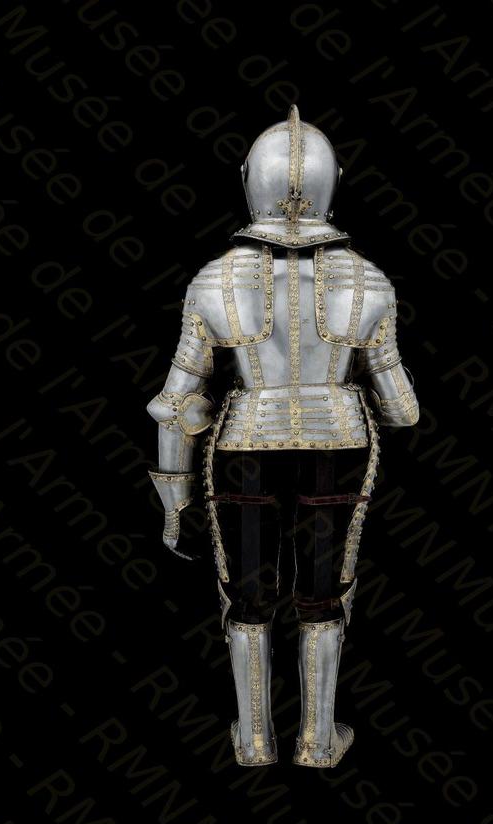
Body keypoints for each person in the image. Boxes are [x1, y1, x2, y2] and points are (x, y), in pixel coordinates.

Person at [147, 105, 419, 768]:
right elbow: (404, 411)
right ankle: (318, 743)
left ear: (250, 180)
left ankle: (254, 741)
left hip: (243, 445)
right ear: (333, 182)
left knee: (246, 595)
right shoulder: (368, 280)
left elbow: (176, 406)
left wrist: (175, 504)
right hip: (340, 444)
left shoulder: (215, 279)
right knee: (325, 593)